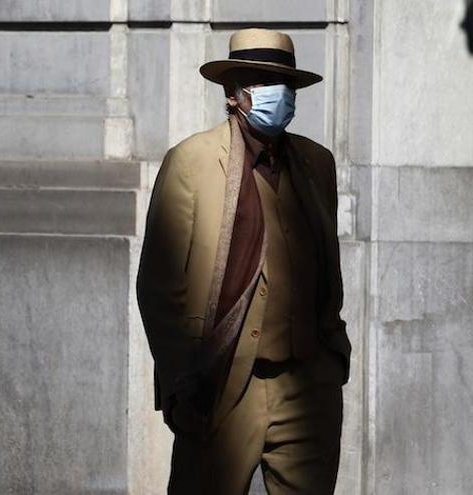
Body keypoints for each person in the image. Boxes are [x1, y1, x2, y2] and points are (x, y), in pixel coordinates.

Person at [136, 28, 352, 494]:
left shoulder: (317, 163)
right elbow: (158, 286)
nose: (281, 96)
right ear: (234, 94)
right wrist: (181, 381)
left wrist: (334, 357)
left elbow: (326, 267)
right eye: (263, 81)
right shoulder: (191, 161)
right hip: (222, 380)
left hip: (308, 385)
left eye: (287, 85)